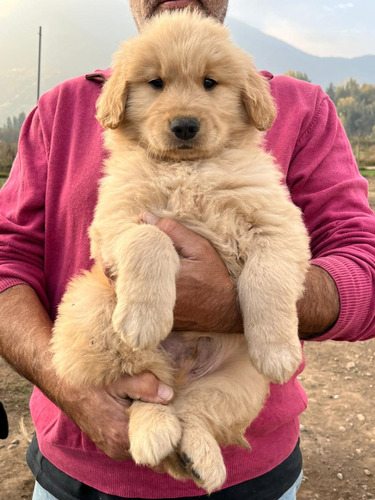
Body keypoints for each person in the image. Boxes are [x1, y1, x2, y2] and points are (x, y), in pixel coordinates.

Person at [0, 0, 374, 498]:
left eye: (209, 84)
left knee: (243, 373)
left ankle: (197, 424)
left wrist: (248, 306)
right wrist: (72, 392)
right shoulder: (59, 112)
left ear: (246, 98)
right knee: (92, 302)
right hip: (76, 464)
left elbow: (357, 259)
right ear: (121, 97)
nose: (183, 115)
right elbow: (12, 257)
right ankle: (150, 413)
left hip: (251, 468)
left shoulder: (300, 110)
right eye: (155, 84)